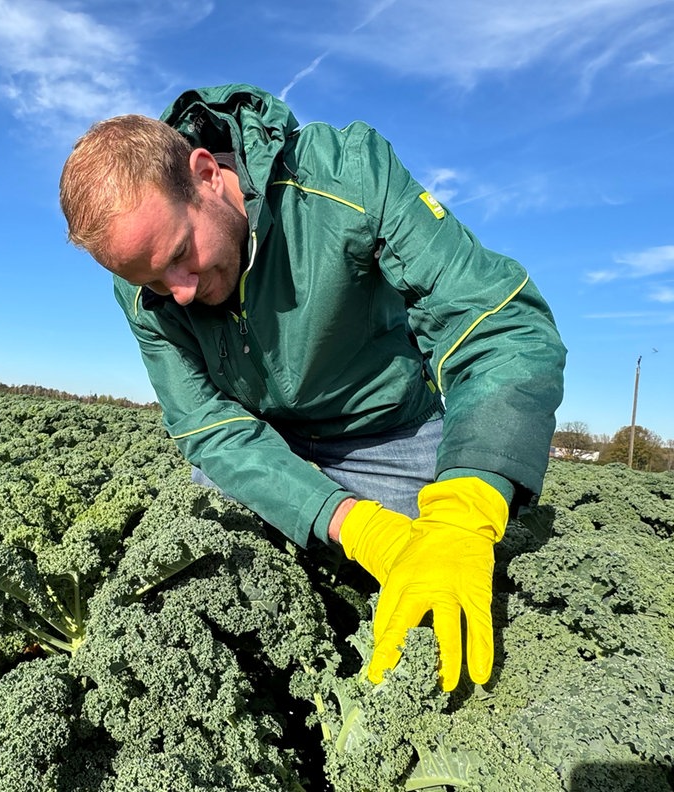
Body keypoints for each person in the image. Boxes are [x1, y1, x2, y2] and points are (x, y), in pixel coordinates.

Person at [60, 83, 566, 691]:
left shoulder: (345, 175)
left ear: (204, 174)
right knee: (199, 533)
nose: (181, 292)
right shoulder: (145, 290)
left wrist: (466, 504)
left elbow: (495, 321)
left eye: (180, 255)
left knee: (458, 585)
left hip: (385, 432)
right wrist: (349, 521)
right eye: (155, 281)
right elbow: (209, 427)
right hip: (269, 446)